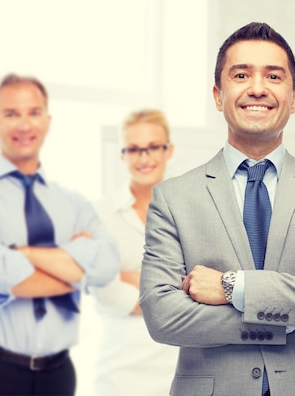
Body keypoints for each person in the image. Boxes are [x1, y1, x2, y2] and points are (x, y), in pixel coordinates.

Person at [139, 22, 295, 396]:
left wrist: (232, 287)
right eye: (240, 74)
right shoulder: (172, 198)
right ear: (218, 96)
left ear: (294, 97)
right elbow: (163, 317)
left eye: (273, 76)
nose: (257, 88)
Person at [0, 73, 119, 396]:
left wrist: (19, 253)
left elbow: (107, 265)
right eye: (11, 114)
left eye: (33, 113)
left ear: (47, 121)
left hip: (58, 375)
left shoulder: (73, 203)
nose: (24, 125)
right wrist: (74, 266)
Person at [91, 109, 179, 396]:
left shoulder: (189, 208)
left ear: (169, 150)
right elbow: (104, 290)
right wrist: (169, 288)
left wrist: (131, 278)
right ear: (122, 155)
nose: (144, 158)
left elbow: (207, 284)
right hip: (121, 369)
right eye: (134, 149)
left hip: (180, 365)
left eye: (154, 147)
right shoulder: (100, 214)